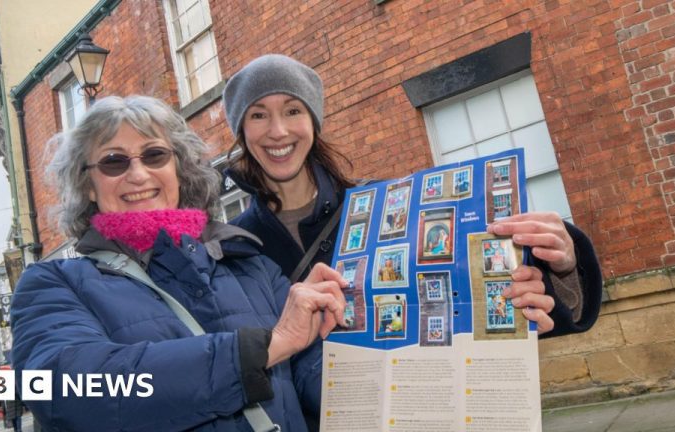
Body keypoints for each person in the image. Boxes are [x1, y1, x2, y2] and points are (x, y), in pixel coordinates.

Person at [10, 95, 348, 431]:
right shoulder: (54, 284)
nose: (138, 174)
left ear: (179, 170)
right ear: (89, 186)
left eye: (155, 155)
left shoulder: (250, 264)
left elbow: (321, 381)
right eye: (114, 161)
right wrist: (260, 351)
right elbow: (71, 390)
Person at [223, 54, 602, 339]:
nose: (277, 130)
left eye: (292, 110)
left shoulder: (388, 206)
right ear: (242, 131)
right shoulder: (234, 247)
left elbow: (471, 298)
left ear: (313, 123)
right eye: (258, 115)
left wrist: (562, 266)